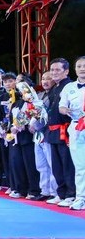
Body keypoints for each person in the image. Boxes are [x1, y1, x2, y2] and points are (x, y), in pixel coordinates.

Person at [46, 58, 76, 207]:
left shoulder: (70, 86)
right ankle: (61, 193)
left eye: (58, 70)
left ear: (66, 71)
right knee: (56, 166)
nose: (54, 73)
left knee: (67, 164)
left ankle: (71, 194)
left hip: (65, 131)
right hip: (52, 132)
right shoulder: (54, 88)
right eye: (52, 70)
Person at [59, 56, 85, 210]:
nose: (82, 68)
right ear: (75, 70)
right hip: (76, 128)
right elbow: (61, 107)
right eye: (79, 66)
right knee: (80, 166)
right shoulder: (69, 88)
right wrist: (65, 110)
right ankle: (81, 197)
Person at [34, 71, 58, 200]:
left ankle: (55, 192)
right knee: (41, 164)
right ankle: (45, 190)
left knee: (51, 163)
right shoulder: (39, 95)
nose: (45, 81)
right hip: (38, 134)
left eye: (49, 78)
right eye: (43, 78)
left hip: (49, 132)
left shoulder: (55, 94)